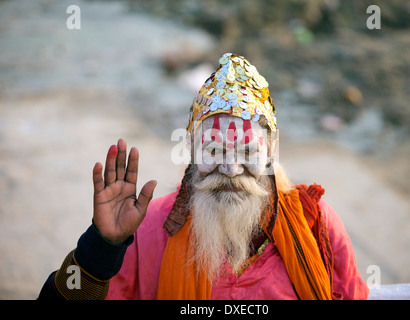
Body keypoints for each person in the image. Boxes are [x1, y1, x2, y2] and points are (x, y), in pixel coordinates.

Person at [38, 53, 369, 300]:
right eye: (214, 152)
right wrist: (100, 248)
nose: (229, 170)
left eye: (247, 154)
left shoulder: (316, 225)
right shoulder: (147, 229)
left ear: (271, 153)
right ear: (191, 152)